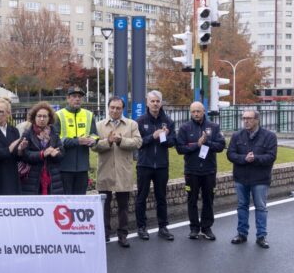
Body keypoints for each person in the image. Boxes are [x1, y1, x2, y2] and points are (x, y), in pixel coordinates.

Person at [94, 97, 142, 247]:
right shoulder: (99, 125)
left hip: (123, 171)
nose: (114, 111)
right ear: (108, 108)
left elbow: (138, 142)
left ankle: (123, 235)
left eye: (118, 108)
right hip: (105, 170)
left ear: (123, 109)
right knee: (105, 205)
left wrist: (121, 140)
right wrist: (107, 141)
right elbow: (93, 146)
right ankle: (105, 233)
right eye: (112, 107)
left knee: (123, 206)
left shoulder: (131, 124)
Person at [227, 110, 277, 249]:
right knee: (242, 206)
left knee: (261, 207)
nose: (246, 121)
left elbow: (271, 156)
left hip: (260, 179)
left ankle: (261, 236)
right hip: (241, 177)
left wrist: (255, 158)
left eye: (249, 118)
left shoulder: (269, 136)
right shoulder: (237, 135)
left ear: (257, 120)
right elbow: (230, 154)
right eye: (244, 118)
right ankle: (242, 234)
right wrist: (244, 158)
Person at [176, 101, 225, 240]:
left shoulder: (213, 127)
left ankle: (206, 227)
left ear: (204, 111)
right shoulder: (185, 128)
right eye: (193, 111)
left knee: (208, 199)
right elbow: (180, 148)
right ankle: (194, 228)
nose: (196, 114)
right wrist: (197, 145)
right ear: (190, 112)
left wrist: (206, 142)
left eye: (198, 111)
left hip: (209, 170)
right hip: (192, 171)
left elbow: (221, 145)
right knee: (192, 199)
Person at [135, 90, 176, 241]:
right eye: (152, 101)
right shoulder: (140, 121)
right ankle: (141, 227)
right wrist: (153, 136)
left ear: (161, 103)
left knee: (161, 197)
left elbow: (172, 143)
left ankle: (163, 227)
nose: (155, 104)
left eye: (158, 101)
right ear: (147, 102)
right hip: (144, 165)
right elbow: (138, 143)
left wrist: (163, 136)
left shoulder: (168, 121)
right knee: (142, 197)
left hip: (161, 165)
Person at [54, 87, 98, 194]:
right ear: (68, 99)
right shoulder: (58, 115)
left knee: (81, 199)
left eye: (79, 97)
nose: (77, 99)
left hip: (83, 166)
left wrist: (93, 140)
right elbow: (55, 139)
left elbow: (94, 135)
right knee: (66, 200)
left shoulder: (89, 115)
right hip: (65, 166)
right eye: (74, 96)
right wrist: (77, 141)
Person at [20, 102, 64, 195]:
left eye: (45, 116)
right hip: (32, 178)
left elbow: (61, 154)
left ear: (49, 118)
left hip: (52, 178)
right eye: (39, 116)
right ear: (34, 117)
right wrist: (42, 154)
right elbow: (25, 155)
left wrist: (56, 154)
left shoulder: (54, 134)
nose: (42, 119)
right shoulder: (28, 133)